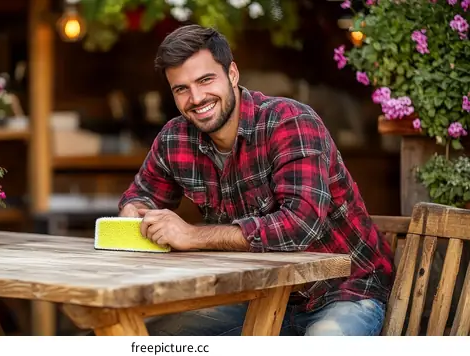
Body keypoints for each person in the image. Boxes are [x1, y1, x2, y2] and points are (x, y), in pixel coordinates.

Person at [117, 24, 394, 336]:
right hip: (255, 296)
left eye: (206, 80)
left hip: (343, 292)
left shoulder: (290, 122)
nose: (196, 98)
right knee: (133, 331)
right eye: (181, 88)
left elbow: (300, 225)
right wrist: (135, 211)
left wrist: (192, 236)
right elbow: (140, 195)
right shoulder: (174, 139)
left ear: (232, 74)